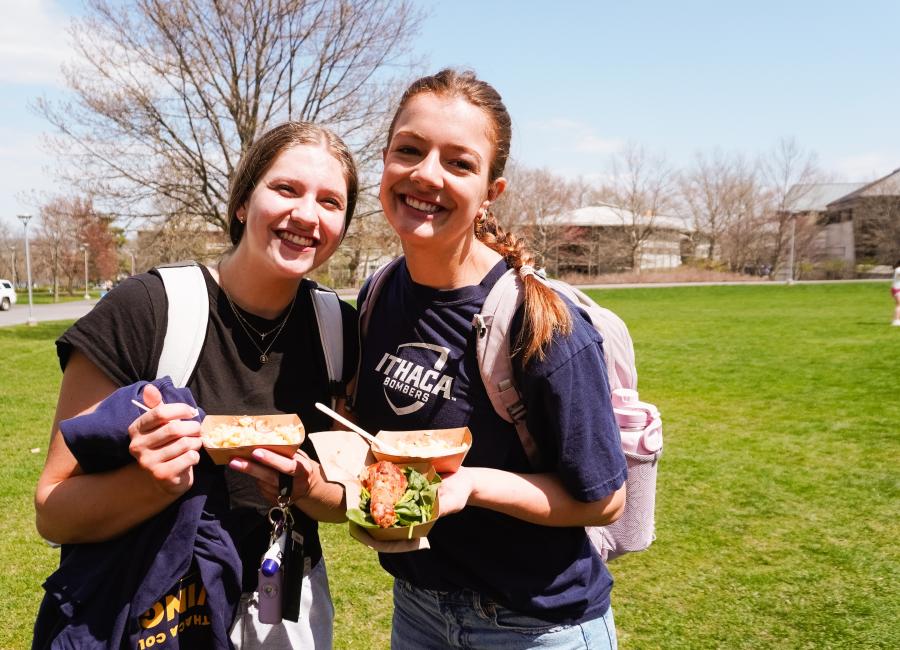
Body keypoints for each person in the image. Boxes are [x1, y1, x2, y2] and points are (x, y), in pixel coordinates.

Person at [34, 121, 359, 648]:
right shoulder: (145, 310)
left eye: (330, 201)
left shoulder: (337, 329)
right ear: (241, 203)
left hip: (286, 601)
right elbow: (53, 510)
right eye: (286, 189)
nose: (307, 214)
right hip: (167, 605)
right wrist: (152, 483)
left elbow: (342, 498)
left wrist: (310, 489)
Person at [352, 69, 627, 649]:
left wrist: (474, 485)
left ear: (489, 192)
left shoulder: (538, 322)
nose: (426, 175)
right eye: (410, 150)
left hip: (537, 625)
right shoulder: (377, 295)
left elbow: (604, 500)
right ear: (384, 162)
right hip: (419, 611)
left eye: (459, 163)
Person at [892, 260, 900, 326]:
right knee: (899, 305)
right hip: (897, 289)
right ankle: (896, 321)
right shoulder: (898, 269)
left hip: (898, 289)